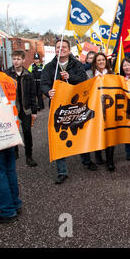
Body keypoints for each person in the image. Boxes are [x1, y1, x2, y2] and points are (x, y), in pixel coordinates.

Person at [41, 39, 97, 184]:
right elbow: (44, 84)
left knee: (80, 131)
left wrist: (70, 77)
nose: (61, 49)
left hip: (76, 106)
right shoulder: (49, 67)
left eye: (64, 47)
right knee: (59, 135)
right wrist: (48, 92)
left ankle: (86, 160)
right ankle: (62, 171)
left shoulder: (77, 65)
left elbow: (84, 81)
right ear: (55, 50)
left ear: (69, 49)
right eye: (58, 47)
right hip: (59, 108)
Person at [0, 51, 22, 224]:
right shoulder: (9, 79)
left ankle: (7, 211)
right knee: (9, 170)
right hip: (10, 130)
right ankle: (16, 203)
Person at [5, 51, 38, 167]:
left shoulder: (28, 75)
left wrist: (34, 111)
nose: (16, 61)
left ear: (23, 60)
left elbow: (33, 94)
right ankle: (14, 152)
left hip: (26, 108)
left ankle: (29, 156)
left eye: (18, 59)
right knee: (12, 131)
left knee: (27, 131)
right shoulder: (7, 74)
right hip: (11, 108)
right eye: (14, 59)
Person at [85, 52, 116, 172]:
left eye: (103, 59)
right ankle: (98, 156)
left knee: (110, 133)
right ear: (95, 63)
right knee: (97, 133)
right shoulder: (89, 74)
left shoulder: (111, 73)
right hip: (95, 108)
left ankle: (110, 161)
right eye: (99, 60)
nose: (102, 62)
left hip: (110, 108)